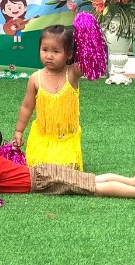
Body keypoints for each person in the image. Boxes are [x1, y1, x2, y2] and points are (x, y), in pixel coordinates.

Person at [0, 117, 135, 200]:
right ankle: (134, 180)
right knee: (91, 179)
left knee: (92, 187)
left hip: (42, 180)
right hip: (42, 172)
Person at [11, 23, 84, 169]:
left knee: (65, 170)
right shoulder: (35, 78)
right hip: (43, 137)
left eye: (56, 51)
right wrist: (19, 131)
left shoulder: (73, 73)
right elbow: (27, 107)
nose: (49, 56)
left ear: (69, 54)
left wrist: (85, 31)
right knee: (40, 170)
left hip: (66, 139)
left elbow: (90, 60)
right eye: (45, 50)